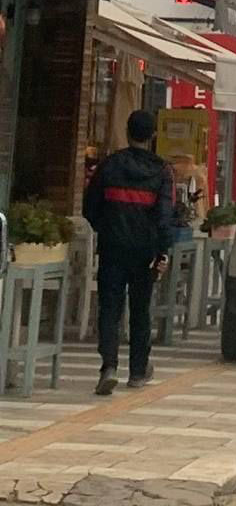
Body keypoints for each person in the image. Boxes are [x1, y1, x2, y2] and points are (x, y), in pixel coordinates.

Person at [83, 110, 174, 396]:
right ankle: (137, 371)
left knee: (110, 308)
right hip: (144, 252)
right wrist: (162, 252)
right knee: (140, 309)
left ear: (127, 131)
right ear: (153, 135)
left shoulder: (109, 165)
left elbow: (90, 206)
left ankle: (109, 366)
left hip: (112, 247)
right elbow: (164, 217)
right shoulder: (161, 171)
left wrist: (106, 228)